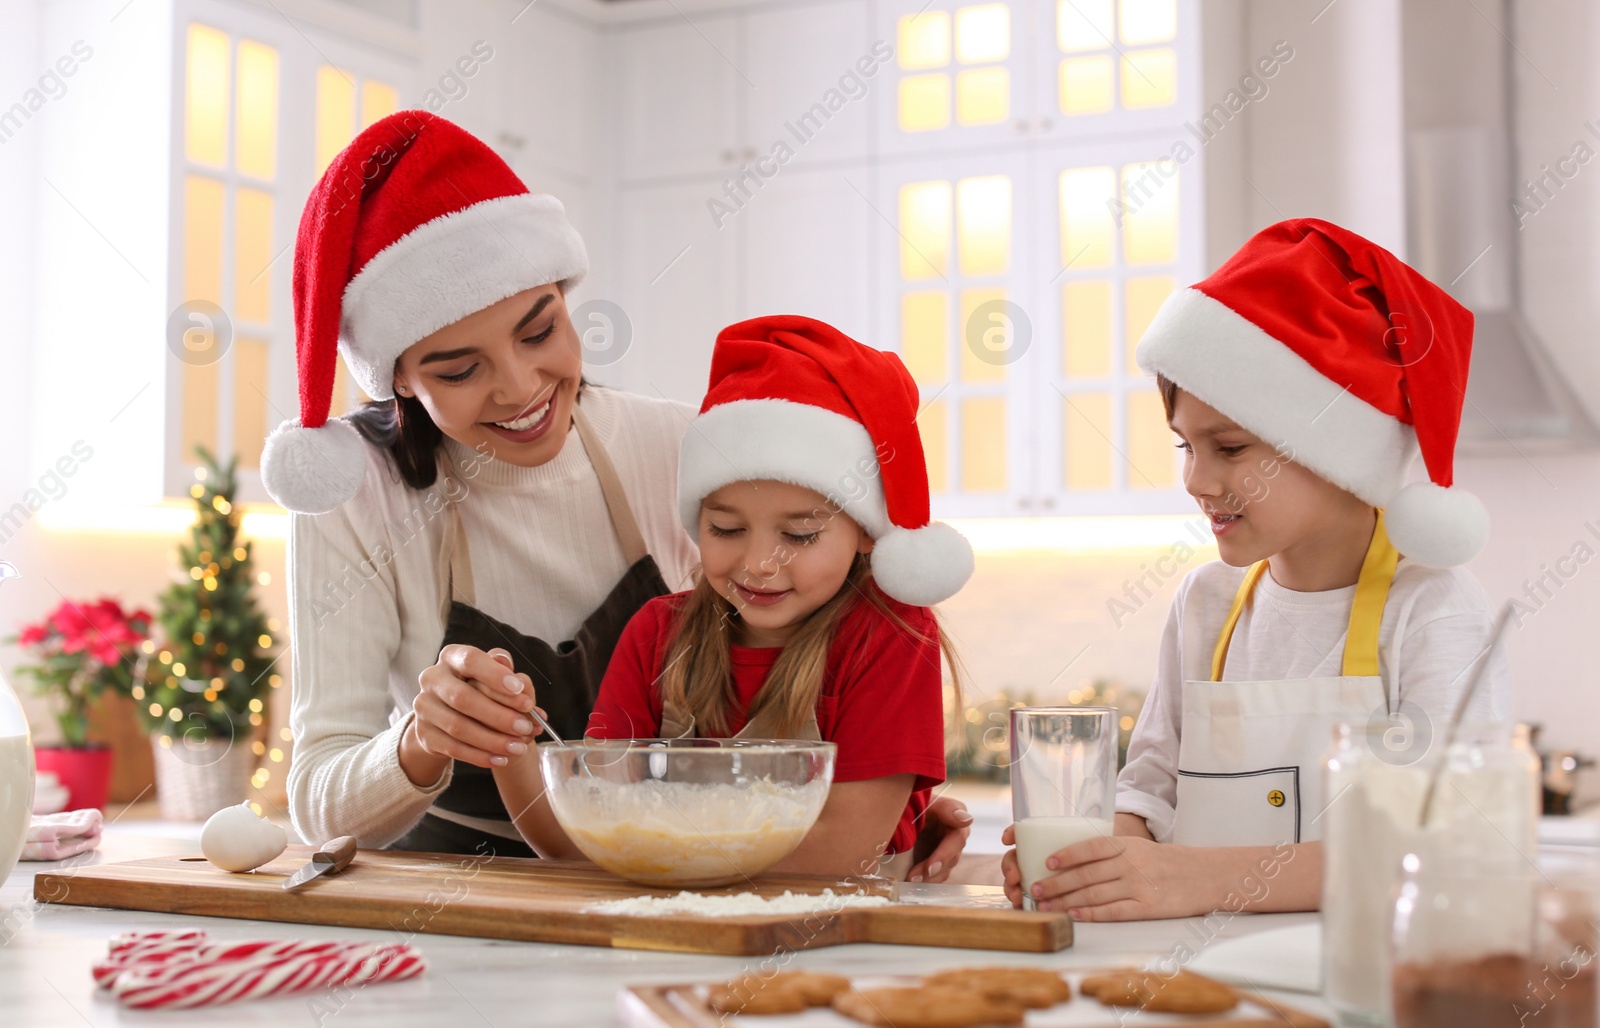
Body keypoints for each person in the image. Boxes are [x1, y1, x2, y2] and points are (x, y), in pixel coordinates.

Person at [262, 111, 975, 872]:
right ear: (398, 375)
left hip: (644, 868)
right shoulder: (356, 493)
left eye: (540, 331)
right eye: (459, 370)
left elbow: (782, 664)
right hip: (446, 876)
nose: (521, 388)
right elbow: (317, 798)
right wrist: (418, 742)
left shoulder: (677, 446)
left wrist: (880, 805)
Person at [1001, 218, 1510, 919]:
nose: (1195, 479)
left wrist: (1191, 880)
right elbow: (1148, 791)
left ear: (1338, 450)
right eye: (1185, 446)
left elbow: (1439, 837)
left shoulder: (1431, 607)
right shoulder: (1205, 603)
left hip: (1346, 986)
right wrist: (1090, 865)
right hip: (1190, 979)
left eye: (1230, 447)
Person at [494, 316, 975, 878]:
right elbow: (579, 841)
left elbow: (840, 853)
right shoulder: (657, 634)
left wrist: (650, 843)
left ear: (867, 531)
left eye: (799, 535)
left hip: (844, 942)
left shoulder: (889, 637)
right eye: (726, 528)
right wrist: (507, 742)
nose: (758, 564)